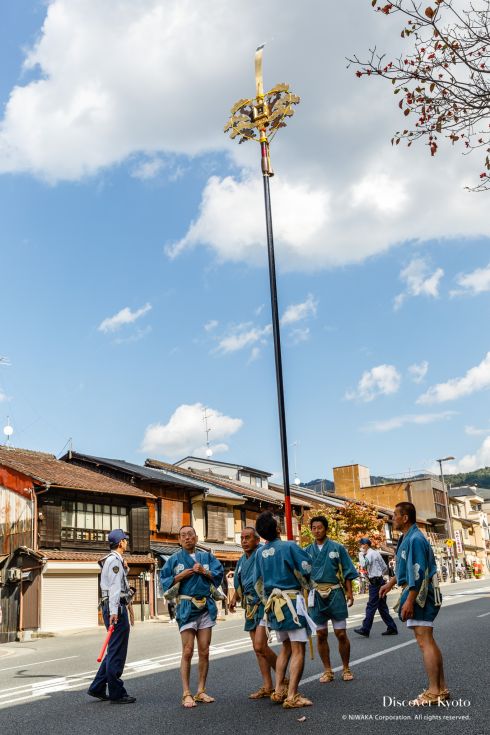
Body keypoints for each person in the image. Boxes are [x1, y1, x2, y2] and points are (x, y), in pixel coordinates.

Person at [379, 502, 448, 705]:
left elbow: (417, 573)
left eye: (395, 515)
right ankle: (441, 688)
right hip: (416, 591)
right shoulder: (406, 538)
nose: (393, 519)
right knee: (426, 639)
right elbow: (404, 567)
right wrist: (390, 583)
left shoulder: (416, 538)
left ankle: (435, 690)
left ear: (405, 518)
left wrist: (409, 600)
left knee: (424, 639)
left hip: (420, 594)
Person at [253, 511, 314, 709]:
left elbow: (258, 582)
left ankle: (279, 689)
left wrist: (266, 600)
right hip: (291, 601)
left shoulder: (259, 553)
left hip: (273, 603)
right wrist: (307, 584)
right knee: (298, 649)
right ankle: (292, 695)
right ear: (278, 529)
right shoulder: (289, 546)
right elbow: (306, 567)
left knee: (285, 648)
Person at [160, 525, 223, 708]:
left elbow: (218, 576)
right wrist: (180, 576)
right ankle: (186, 693)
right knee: (187, 651)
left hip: (206, 607)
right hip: (186, 607)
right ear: (179, 540)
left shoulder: (207, 557)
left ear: (196, 537)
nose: (187, 538)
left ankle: (201, 690)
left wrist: (204, 571)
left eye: (190, 534)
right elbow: (164, 582)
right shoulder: (174, 560)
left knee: (204, 651)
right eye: (183, 536)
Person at [305, 516, 358, 683]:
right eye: (313, 528)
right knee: (321, 634)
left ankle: (346, 667)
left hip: (335, 592)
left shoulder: (337, 548)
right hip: (316, 595)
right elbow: (301, 575)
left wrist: (350, 592)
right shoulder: (306, 551)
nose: (317, 530)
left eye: (319, 527)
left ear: (325, 528)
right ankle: (327, 670)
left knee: (341, 633)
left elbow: (348, 571)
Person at [88, 529, 135, 704]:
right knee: (117, 651)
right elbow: (115, 588)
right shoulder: (114, 560)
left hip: (112, 606)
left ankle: (98, 687)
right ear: (120, 542)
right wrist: (115, 612)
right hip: (116, 609)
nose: (126, 542)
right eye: (125, 540)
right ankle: (117, 692)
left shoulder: (113, 561)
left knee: (113, 649)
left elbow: (115, 583)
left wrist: (126, 570)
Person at [229, 526, 277, 699]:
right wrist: (235, 596)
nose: (244, 541)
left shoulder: (262, 554)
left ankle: (284, 674)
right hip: (249, 606)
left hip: (263, 604)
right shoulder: (242, 559)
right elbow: (241, 581)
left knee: (260, 645)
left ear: (257, 540)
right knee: (258, 650)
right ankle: (267, 685)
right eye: (242, 538)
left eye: (248, 537)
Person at [353, 538, 398, 638]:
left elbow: (364, 564)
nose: (360, 547)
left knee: (371, 606)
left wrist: (360, 555)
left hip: (375, 583)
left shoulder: (369, 554)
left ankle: (365, 629)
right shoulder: (376, 553)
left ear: (366, 545)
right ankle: (392, 627)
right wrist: (378, 573)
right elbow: (384, 567)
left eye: (361, 545)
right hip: (380, 581)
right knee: (382, 606)